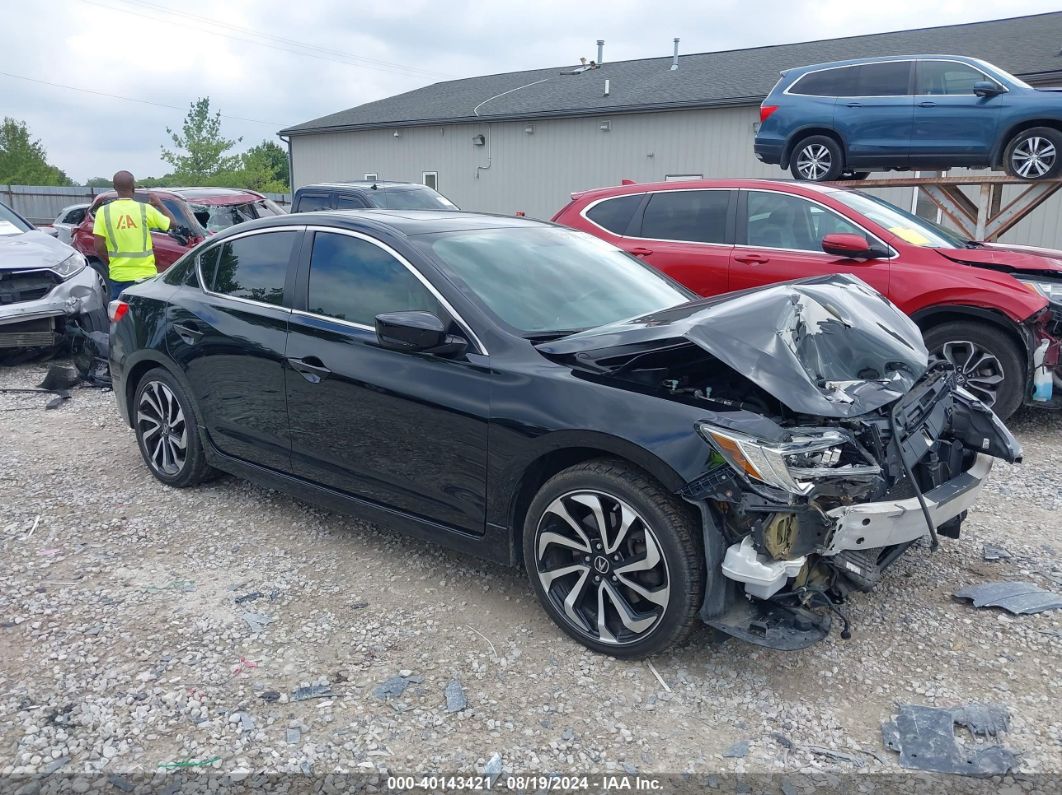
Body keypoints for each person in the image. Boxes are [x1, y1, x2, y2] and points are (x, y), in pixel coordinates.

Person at [92, 171, 177, 300]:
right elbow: (172, 224)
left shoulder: (104, 212)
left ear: (114, 188)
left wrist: (115, 259)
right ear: (133, 187)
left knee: (120, 317)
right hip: (146, 276)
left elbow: (98, 247)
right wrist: (159, 203)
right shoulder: (145, 209)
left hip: (119, 276)